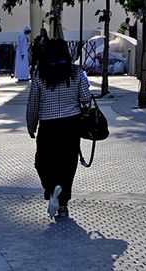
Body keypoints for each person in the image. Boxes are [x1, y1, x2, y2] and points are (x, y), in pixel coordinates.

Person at [26, 39, 93, 219]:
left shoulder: (40, 74)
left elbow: (33, 103)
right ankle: (63, 205)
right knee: (68, 163)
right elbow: (86, 98)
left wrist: (31, 125)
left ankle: (50, 188)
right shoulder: (77, 72)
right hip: (71, 124)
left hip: (48, 125)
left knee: (42, 161)